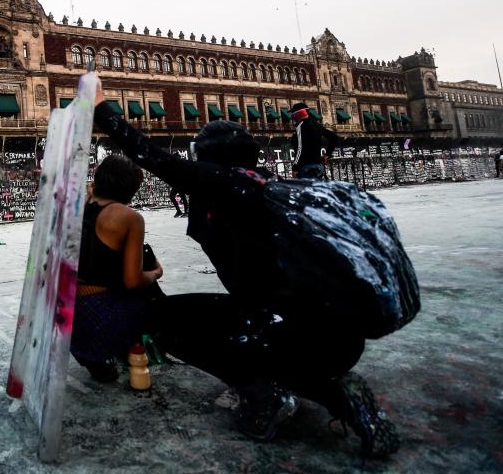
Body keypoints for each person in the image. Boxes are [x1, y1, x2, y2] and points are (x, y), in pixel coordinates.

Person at [89, 81, 400, 457]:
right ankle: (340, 395)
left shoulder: (228, 184)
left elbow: (153, 156)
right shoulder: (270, 185)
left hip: (284, 327)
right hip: (337, 335)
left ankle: (263, 397)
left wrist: (102, 107)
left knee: (165, 320)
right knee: (269, 332)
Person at [70, 154, 163, 383]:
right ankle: (125, 347)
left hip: (68, 316)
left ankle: (94, 354)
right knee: (153, 299)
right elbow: (133, 280)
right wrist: (155, 273)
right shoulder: (129, 217)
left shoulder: (78, 205)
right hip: (101, 316)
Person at [291, 102, 338, 179]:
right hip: (318, 166)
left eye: (294, 115)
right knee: (316, 190)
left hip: (306, 167)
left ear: (299, 114)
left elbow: (300, 148)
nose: (293, 117)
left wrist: (295, 167)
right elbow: (334, 137)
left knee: (306, 190)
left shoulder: (301, 126)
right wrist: (327, 155)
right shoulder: (316, 125)